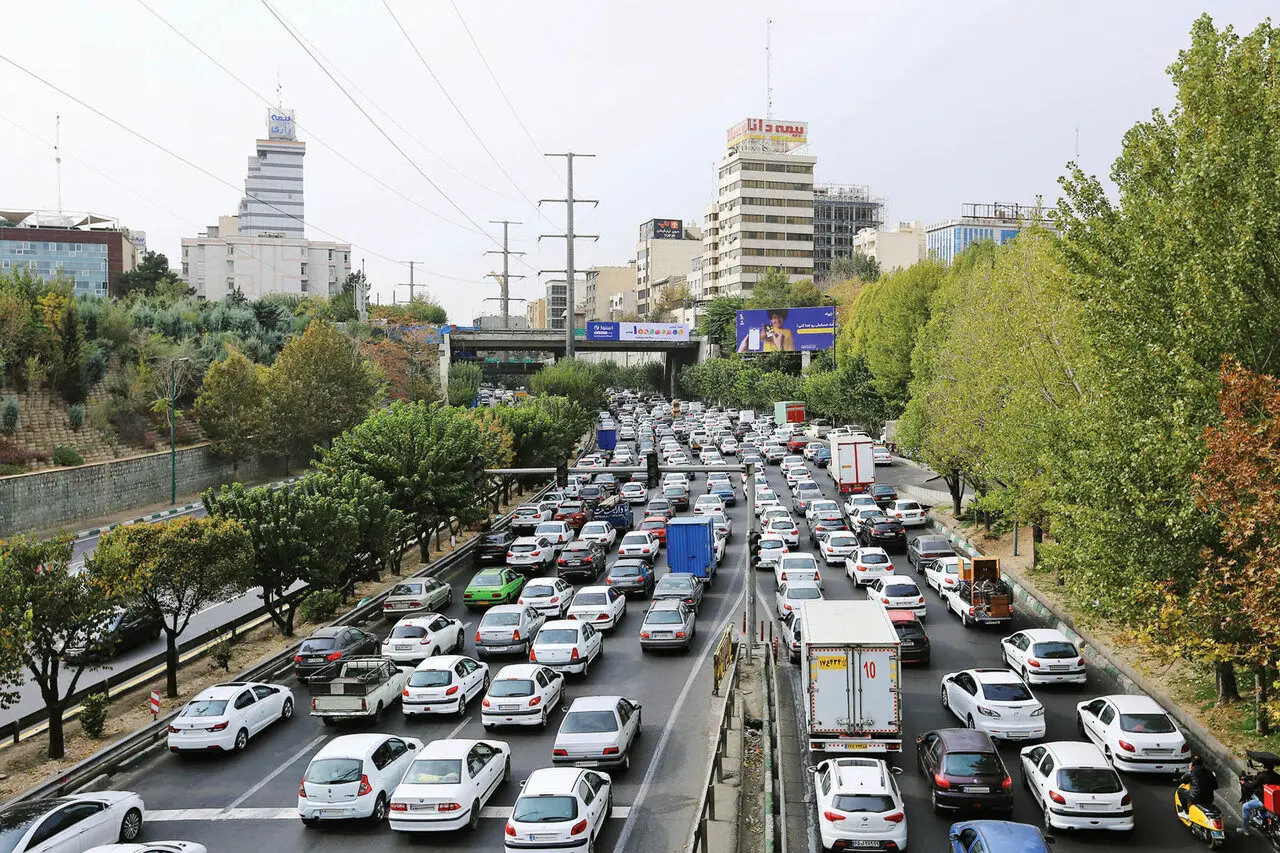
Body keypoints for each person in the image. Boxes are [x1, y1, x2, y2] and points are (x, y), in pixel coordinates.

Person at [1239, 763, 1280, 835]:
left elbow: (1252, 786)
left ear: (1264, 767)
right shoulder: (1277, 776)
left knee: (1245, 807)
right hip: (1276, 801)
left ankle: (1244, 829)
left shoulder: (1263, 776)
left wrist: (1244, 783)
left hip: (1264, 801)